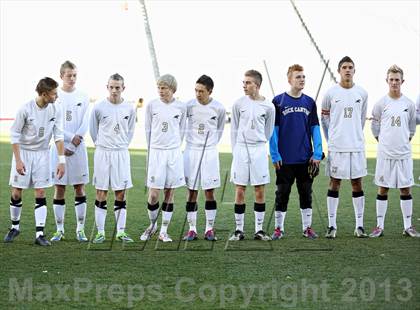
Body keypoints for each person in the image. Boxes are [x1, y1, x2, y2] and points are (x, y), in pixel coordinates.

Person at [4, 77, 65, 246]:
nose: (56, 96)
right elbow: (15, 136)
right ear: (44, 94)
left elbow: (58, 136)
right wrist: (18, 161)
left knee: (40, 192)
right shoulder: (25, 109)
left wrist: (62, 161)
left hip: (43, 154)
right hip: (23, 152)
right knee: (16, 192)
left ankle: (40, 234)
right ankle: (15, 227)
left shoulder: (56, 109)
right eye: (54, 94)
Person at [269, 64, 323, 240]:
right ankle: (278, 228)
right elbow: (273, 131)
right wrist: (275, 154)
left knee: (306, 193)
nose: (302, 79)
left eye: (303, 77)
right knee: (282, 194)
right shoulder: (278, 101)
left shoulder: (309, 102)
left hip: (305, 159)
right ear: (289, 79)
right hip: (285, 160)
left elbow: (315, 129)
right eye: (298, 76)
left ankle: (307, 228)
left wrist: (317, 153)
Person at [321, 56, 368, 239]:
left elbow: (361, 118)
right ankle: (332, 226)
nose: (347, 70)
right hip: (337, 146)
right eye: (344, 67)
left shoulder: (362, 93)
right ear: (339, 70)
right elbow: (324, 118)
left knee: (357, 183)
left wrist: (354, 134)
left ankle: (359, 226)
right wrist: (331, 137)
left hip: (356, 146)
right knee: (335, 182)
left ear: (354, 71)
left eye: (350, 67)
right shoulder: (330, 93)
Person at [369, 65, 419, 238]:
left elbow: (411, 128)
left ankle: (408, 227)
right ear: (387, 81)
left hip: (404, 154)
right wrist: (382, 142)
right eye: (391, 79)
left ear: (402, 81)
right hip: (385, 154)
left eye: (397, 80)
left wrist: (403, 141)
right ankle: (379, 226)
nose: (394, 83)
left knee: (406, 189)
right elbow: (374, 126)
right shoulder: (381, 104)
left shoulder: (409, 104)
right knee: (383, 188)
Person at [229, 70, 275, 241]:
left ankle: (259, 230)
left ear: (257, 85)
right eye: (243, 82)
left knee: (259, 190)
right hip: (241, 149)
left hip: (258, 150)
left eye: (248, 82)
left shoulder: (269, 106)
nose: (244, 85)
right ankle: (239, 230)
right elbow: (234, 129)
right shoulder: (238, 104)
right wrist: (236, 152)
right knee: (240, 189)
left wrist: (259, 143)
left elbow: (268, 131)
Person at [89, 73, 135, 243]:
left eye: (118, 87)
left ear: (123, 88)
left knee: (120, 193)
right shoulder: (99, 107)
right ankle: (100, 232)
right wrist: (102, 145)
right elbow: (93, 131)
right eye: (111, 87)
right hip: (103, 152)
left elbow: (130, 131)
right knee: (101, 191)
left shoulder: (130, 107)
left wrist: (121, 145)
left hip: (121, 153)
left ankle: (121, 232)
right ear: (107, 87)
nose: (114, 90)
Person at [140, 74, 186, 242]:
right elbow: (148, 130)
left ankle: (164, 231)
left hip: (173, 153)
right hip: (156, 152)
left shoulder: (181, 107)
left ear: (172, 89)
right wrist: (153, 150)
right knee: (153, 194)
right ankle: (152, 225)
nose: (161, 90)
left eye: (164, 87)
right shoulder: (152, 105)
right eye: (159, 87)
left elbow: (182, 130)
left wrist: (173, 146)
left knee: (170, 191)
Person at [50, 61, 90, 242]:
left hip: (78, 149)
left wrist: (74, 144)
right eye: (69, 75)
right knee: (59, 188)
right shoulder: (55, 97)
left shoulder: (83, 96)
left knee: (79, 188)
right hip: (59, 148)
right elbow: (53, 123)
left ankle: (80, 229)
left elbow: (85, 123)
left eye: (74, 75)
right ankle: (59, 230)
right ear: (61, 76)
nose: (72, 78)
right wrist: (67, 139)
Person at [182, 75, 226, 241]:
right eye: (196, 90)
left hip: (209, 152)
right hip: (191, 151)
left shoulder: (219, 108)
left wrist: (210, 145)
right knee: (192, 191)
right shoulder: (188, 106)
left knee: (209, 191)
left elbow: (219, 130)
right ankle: (192, 229)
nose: (198, 94)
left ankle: (209, 229)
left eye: (201, 91)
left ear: (210, 91)